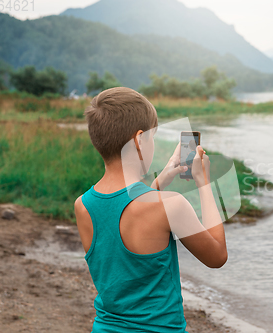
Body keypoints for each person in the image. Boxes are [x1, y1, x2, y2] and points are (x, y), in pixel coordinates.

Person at [74, 87, 227, 332]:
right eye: (152, 137)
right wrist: (203, 182)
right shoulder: (170, 205)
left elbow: (126, 208)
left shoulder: (83, 205)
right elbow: (217, 256)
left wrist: (163, 177)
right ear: (139, 140)